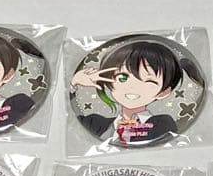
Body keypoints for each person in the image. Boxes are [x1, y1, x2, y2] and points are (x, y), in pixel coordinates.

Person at [71, 39, 201, 145]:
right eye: (123, 77)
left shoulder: (162, 124)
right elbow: (72, 119)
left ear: (164, 92)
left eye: (148, 81)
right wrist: (74, 83)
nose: (132, 87)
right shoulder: (94, 122)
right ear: (108, 81)